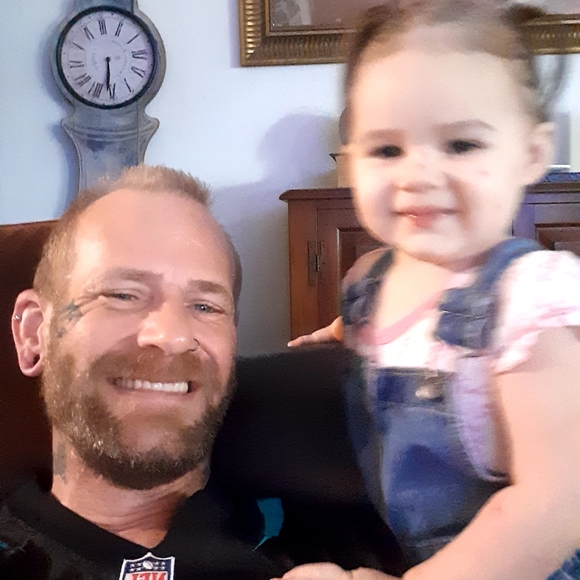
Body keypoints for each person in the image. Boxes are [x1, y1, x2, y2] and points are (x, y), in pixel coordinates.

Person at [283, 2, 580, 579]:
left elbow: (552, 508)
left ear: (531, 155)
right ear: (352, 159)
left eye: (461, 145)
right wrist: (337, 336)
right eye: (386, 150)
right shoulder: (368, 282)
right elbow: (385, 337)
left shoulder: (529, 303)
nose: (418, 175)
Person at [1, 165, 403, 580]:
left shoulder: (355, 530)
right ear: (33, 333)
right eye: (122, 295)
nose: (173, 336)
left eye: (205, 306)